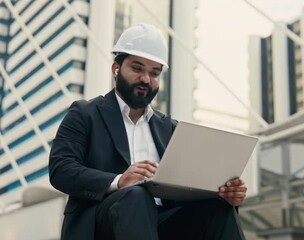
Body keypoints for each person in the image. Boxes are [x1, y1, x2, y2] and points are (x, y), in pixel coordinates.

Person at [48, 23, 248, 240]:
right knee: (135, 194)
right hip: (102, 223)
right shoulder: (85, 113)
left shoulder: (169, 128)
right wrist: (119, 180)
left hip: (162, 225)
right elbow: (61, 169)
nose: (146, 78)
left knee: (217, 208)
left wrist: (226, 194)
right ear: (116, 69)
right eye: (137, 68)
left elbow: (184, 189)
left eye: (154, 73)